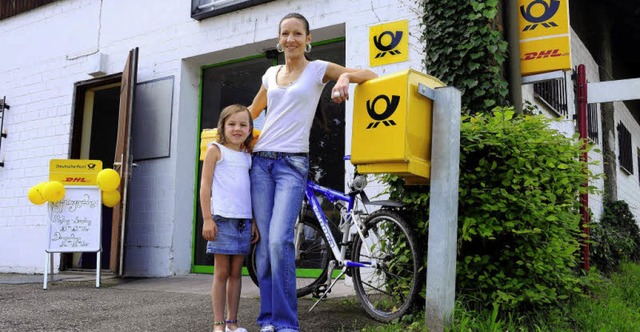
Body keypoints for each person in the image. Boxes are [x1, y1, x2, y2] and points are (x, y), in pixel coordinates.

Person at [247, 12, 378, 332]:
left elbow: (370, 73)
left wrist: (345, 78)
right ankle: (267, 320)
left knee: (279, 241)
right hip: (261, 162)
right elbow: (250, 114)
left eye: (296, 34)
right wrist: (222, 142)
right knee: (264, 244)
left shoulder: (318, 69)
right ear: (279, 40)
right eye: (284, 33)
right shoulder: (270, 74)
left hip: (292, 164)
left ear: (308, 39)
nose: (290, 39)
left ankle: (287, 324)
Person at [200, 104, 260, 332]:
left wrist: (253, 221)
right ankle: (218, 324)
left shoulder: (247, 156)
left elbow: (250, 191)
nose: (237, 128)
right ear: (222, 126)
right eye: (232, 124)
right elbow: (205, 187)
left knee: (237, 273)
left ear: (250, 128)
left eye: (243, 124)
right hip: (221, 220)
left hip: (243, 221)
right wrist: (207, 218)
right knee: (222, 272)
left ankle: (232, 323)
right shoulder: (215, 150)